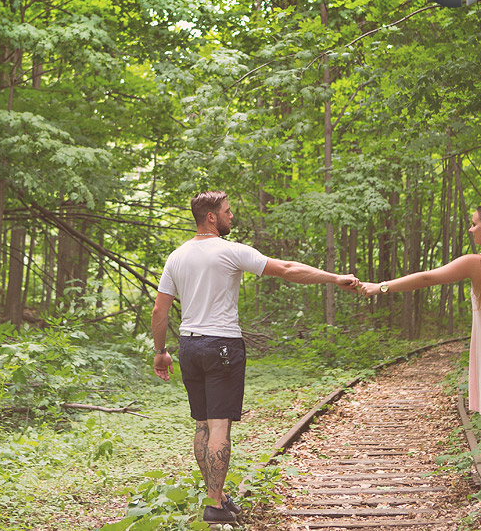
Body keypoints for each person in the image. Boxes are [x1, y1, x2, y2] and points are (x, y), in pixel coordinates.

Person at [151, 190, 359, 525]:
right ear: (211, 217)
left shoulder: (176, 257)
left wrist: (161, 352)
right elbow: (288, 269)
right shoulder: (231, 251)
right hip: (222, 346)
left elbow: (160, 310)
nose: (232, 217)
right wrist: (336, 278)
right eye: (228, 212)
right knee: (219, 425)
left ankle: (215, 497)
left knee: (202, 424)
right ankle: (215, 508)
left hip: (188, 345)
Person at [357, 201, 481, 515]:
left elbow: (426, 278)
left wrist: (380, 287)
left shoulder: (477, 263)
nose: (471, 228)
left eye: (475, 224)